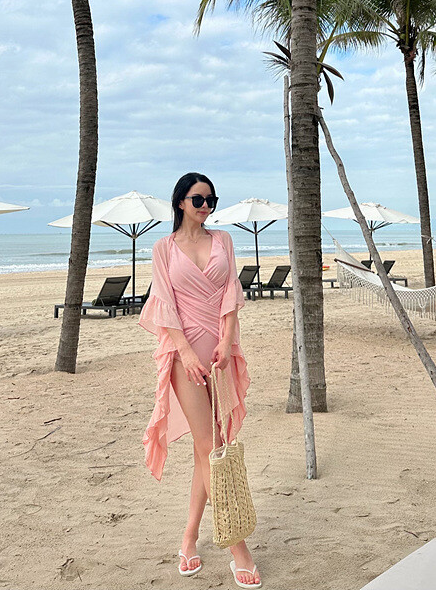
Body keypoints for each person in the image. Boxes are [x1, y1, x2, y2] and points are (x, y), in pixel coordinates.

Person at [140, 173, 260, 586]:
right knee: (211, 447)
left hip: (220, 354)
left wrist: (225, 344)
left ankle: (189, 538)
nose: (206, 206)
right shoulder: (163, 248)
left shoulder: (223, 240)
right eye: (198, 199)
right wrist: (187, 353)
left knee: (205, 450)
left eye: (211, 199)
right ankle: (238, 548)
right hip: (183, 355)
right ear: (180, 202)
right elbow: (164, 304)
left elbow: (231, 295)